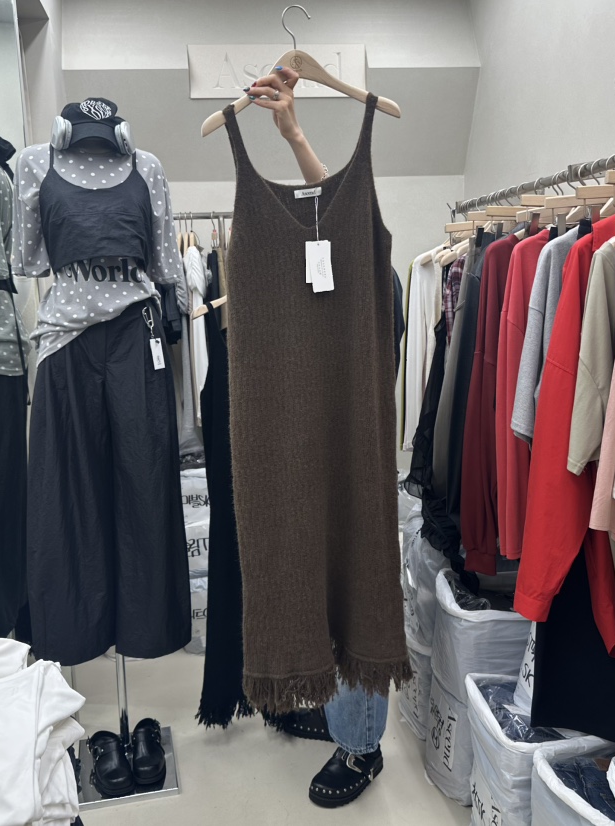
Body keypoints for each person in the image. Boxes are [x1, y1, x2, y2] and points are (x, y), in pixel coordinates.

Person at [245, 66, 389, 808]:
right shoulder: (306, 227)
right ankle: (336, 707)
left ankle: (362, 745)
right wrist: (293, 133)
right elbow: (324, 212)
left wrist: (298, 137)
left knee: (356, 557)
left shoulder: (359, 235)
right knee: (300, 552)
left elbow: (338, 213)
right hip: (284, 424)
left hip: (351, 420)